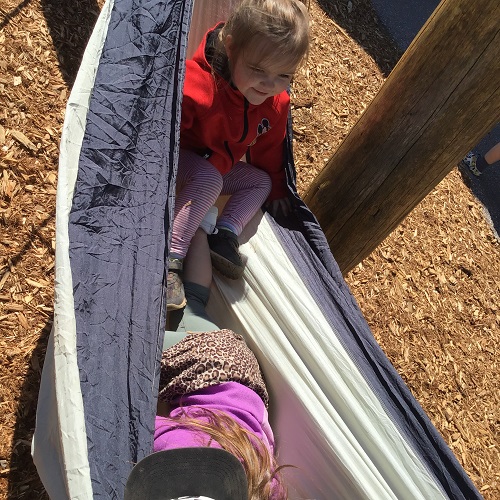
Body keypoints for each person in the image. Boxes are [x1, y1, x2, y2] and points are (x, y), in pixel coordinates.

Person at [167, 0, 310, 310]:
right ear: (230, 49)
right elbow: (162, 135)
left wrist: (277, 185)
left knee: (260, 183)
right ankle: (170, 257)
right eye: (258, 70)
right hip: (180, 160)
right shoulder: (198, 86)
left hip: (216, 169)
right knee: (208, 179)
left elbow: (269, 148)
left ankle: (225, 234)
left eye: (284, 76)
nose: (269, 85)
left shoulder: (276, 103)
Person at [126, 227, 288, 499]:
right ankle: (160, 244)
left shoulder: (264, 486)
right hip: (205, 363)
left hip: (242, 371)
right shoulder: (176, 451)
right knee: (131, 348)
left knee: (193, 303)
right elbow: (135, 424)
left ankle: (200, 230)